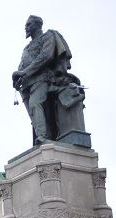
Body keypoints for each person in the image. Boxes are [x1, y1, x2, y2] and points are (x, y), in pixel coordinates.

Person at [12, 15, 83, 145]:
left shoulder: (48, 36)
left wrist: (24, 72)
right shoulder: (26, 48)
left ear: (37, 25)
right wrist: (17, 79)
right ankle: (46, 137)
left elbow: (46, 56)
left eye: (28, 25)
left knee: (35, 104)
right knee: (34, 113)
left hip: (42, 78)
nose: (25, 28)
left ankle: (42, 136)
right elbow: (22, 65)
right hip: (27, 84)